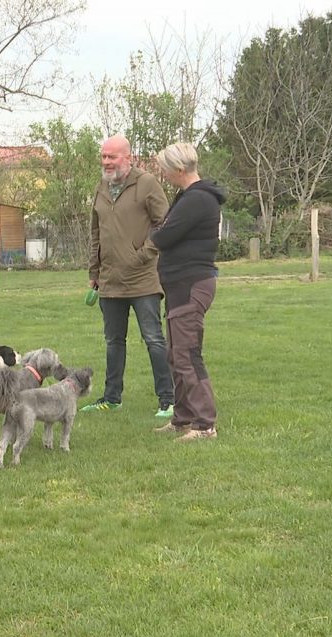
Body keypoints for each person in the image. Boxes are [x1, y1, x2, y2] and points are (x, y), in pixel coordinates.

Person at [81, 135, 175, 418]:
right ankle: (112, 398)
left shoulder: (146, 183)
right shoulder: (101, 187)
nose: (106, 162)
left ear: (128, 157)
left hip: (143, 278)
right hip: (109, 280)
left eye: (112, 156)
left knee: (153, 339)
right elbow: (96, 232)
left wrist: (143, 254)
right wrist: (94, 271)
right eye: (103, 156)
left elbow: (166, 224)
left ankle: (168, 400)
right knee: (113, 341)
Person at [150, 142, 225, 441]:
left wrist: (156, 234)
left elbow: (164, 236)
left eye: (165, 170)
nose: (163, 175)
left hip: (191, 284)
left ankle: (205, 425)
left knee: (188, 355)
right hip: (180, 285)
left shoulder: (198, 199)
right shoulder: (189, 197)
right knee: (176, 354)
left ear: (179, 169)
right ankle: (182, 419)